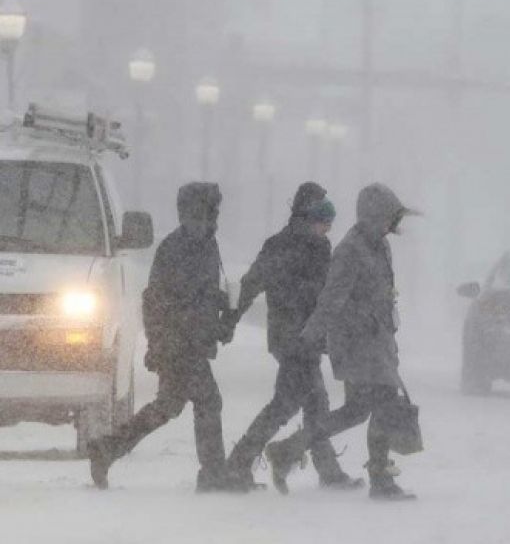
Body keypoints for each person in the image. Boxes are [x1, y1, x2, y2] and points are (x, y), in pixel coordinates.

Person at [264, 183, 418, 501]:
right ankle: (380, 479)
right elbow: (331, 299)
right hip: (356, 343)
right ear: (374, 215)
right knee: (383, 403)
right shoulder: (351, 249)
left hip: (377, 342)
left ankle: (287, 449)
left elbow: (382, 296)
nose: (393, 224)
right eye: (389, 217)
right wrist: (311, 336)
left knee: (357, 410)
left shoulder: (379, 246)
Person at [87, 183, 244, 492]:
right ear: (194, 212)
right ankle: (213, 474)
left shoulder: (206, 245)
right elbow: (157, 299)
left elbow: (204, 295)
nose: (214, 218)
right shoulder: (176, 247)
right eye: (210, 211)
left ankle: (107, 449)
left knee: (169, 406)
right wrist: (160, 344)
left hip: (191, 341)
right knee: (208, 402)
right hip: (179, 344)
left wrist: (223, 314)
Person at [224, 183, 362, 490]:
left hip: (302, 337)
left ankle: (324, 470)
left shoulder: (307, 246)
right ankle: (240, 461)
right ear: (307, 215)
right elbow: (253, 283)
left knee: (314, 404)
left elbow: (327, 294)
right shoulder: (287, 246)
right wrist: (232, 318)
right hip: (293, 339)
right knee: (286, 404)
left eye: (330, 222)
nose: (328, 227)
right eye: (324, 219)